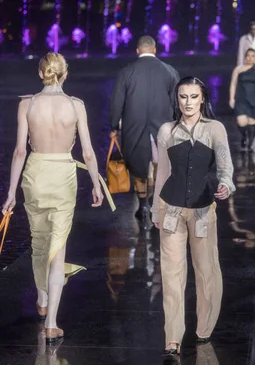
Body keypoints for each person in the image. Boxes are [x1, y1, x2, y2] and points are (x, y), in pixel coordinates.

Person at [1, 53, 113, 344]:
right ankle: (51, 322)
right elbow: (87, 152)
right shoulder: (76, 106)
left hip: (35, 174)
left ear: (41, 74)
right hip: (63, 175)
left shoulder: (27, 104)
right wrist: (96, 183)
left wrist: (11, 192)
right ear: (65, 74)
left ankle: (41, 298)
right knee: (56, 247)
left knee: (38, 240)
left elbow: (19, 152)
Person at [151, 77, 235, 361]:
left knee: (206, 270)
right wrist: (154, 209)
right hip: (170, 208)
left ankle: (204, 328)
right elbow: (161, 172)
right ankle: (172, 338)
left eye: (193, 96)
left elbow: (225, 164)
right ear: (177, 99)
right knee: (171, 274)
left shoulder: (215, 129)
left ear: (202, 98)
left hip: (202, 209)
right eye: (183, 96)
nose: (187, 102)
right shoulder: (166, 131)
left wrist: (226, 184)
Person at [110, 35, 180, 220]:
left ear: (137, 50)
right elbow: (177, 101)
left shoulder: (127, 72)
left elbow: (117, 102)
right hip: (162, 128)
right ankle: (157, 203)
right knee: (161, 166)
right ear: (155, 49)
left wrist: (114, 126)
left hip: (134, 127)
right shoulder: (169, 71)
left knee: (138, 168)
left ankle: (142, 206)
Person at [229, 48, 255, 151]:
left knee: (251, 122)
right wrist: (231, 98)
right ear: (245, 57)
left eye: (253, 56)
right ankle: (243, 136)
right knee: (241, 122)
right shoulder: (238, 69)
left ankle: (250, 144)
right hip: (241, 99)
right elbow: (233, 84)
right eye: (248, 55)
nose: (250, 58)